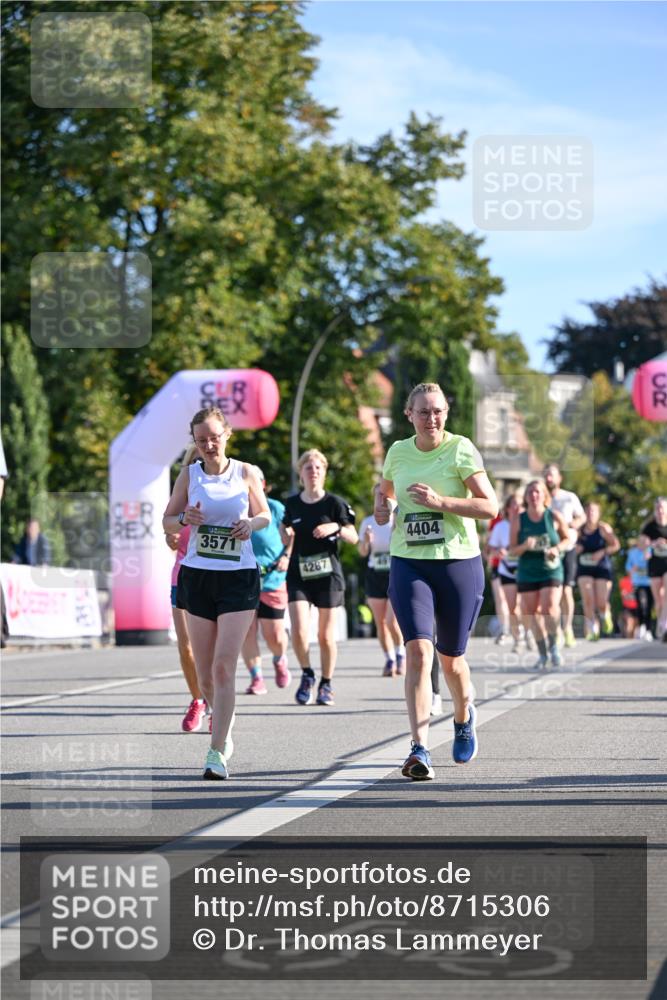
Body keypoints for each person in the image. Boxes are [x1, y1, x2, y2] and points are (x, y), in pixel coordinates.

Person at [375, 382, 498, 781]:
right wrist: (382, 506)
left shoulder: (460, 449)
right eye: (423, 411)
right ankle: (419, 747)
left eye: (438, 411)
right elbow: (387, 494)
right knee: (418, 653)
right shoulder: (397, 451)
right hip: (410, 561)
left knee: (452, 661)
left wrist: (442, 503)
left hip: (457, 563)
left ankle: (463, 717)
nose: (432, 418)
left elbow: (489, 506)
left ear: (447, 413)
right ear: (408, 414)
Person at [162, 406, 270, 780]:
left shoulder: (244, 472)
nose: (209, 444)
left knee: (225, 666)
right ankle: (222, 717)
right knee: (206, 676)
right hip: (198, 577)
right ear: (195, 441)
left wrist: (249, 524)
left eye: (214, 436)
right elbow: (167, 518)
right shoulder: (189, 475)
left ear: (227, 435)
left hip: (238, 577)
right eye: (201, 439)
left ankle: (217, 750)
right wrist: (182, 520)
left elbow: (265, 515)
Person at [282, 449, 358, 707]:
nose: (313, 471)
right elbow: (285, 531)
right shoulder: (291, 504)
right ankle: (307, 674)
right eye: (308, 468)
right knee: (300, 629)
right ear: (301, 473)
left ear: (324, 472)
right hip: (299, 573)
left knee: (326, 636)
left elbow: (354, 536)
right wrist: (286, 536)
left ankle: (326, 683)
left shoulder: (334, 504)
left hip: (328, 575)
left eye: (317, 467)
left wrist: (335, 527)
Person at [165, 448, 208, 732]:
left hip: (214, 577)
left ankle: (217, 702)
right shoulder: (181, 496)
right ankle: (198, 699)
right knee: (187, 648)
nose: (197, 468)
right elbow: (170, 532)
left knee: (212, 651)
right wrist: (172, 535)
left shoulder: (221, 494)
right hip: (182, 576)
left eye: (200, 463)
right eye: (192, 463)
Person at [241, 466, 291, 694]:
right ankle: (256, 677)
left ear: (262, 484)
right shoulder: (238, 508)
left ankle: (280, 658)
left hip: (272, 577)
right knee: (246, 631)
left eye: (256, 481)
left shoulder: (275, 508)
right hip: (242, 578)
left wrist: (287, 556)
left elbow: (292, 534)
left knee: (274, 633)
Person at [510, 479, 570, 669]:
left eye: (537, 492)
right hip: (527, 571)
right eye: (530, 493)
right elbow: (512, 551)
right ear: (526, 497)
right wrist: (524, 546)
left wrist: (557, 548)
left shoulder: (554, 516)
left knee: (549, 608)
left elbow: (567, 539)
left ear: (544, 495)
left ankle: (554, 648)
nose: (534, 495)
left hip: (550, 569)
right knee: (533, 614)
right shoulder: (518, 520)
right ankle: (542, 652)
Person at [357, 488, 405, 678]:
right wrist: (367, 542)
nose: (383, 499)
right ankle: (389, 659)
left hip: (395, 573)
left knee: (393, 621)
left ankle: (401, 654)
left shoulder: (398, 519)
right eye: (379, 495)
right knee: (381, 622)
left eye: (386, 495)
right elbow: (362, 552)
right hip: (374, 573)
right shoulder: (368, 522)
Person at [544, 464, 586, 648]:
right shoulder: (541, 498)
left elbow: (582, 517)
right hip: (549, 549)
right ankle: (557, 631)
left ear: (559, 478)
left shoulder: (569, 497)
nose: (549, 478)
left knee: (566, 589)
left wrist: (572, 524)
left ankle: (567, 628)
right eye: (546, 475)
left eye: (552, 474)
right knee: (554, 591)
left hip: (568, 546)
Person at [487, 492, 527, 652]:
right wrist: (499, 552)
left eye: (520, 505)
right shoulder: (500, 526)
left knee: (525, 605)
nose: (517, 508)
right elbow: (490, 549)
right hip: (506, 569)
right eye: (514, 505)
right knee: (510, 605)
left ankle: (528, 631)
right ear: (508, 508)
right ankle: (516, 636)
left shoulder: (528, 525)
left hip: (527, 569)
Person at [575, 501, 620, 641]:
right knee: (588, 600)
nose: (590, 514)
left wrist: (602, 552)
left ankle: (605, 615)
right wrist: (577, 549)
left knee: (601, 601)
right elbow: (571, 546)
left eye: (593, 511)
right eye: (588, 511)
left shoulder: (603, 529)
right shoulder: (579, 531)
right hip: (584, 568)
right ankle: (591, 629)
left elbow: (616, 545)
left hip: (601, 568)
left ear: (598, 514)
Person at [640, 497, 667, 641]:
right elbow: (642, 545)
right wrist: (653, 543)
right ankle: (661, 626)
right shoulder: (649, 527)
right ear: (654, 511)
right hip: (655, 565)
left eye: (663, 507)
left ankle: (664, 624)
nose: (660, 511)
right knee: (659, 600)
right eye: (658, 508)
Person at [625, 535, 654, 641]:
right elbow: (628, 566)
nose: (643, 542)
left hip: (651, 582)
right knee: (641, 605)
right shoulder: (633, 552)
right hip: (638, 582)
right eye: (641, 540)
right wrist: (633, 568)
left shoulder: (652, 550)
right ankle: (641, 626)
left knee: (649, 607)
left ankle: (648, 630)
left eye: (645, 540)